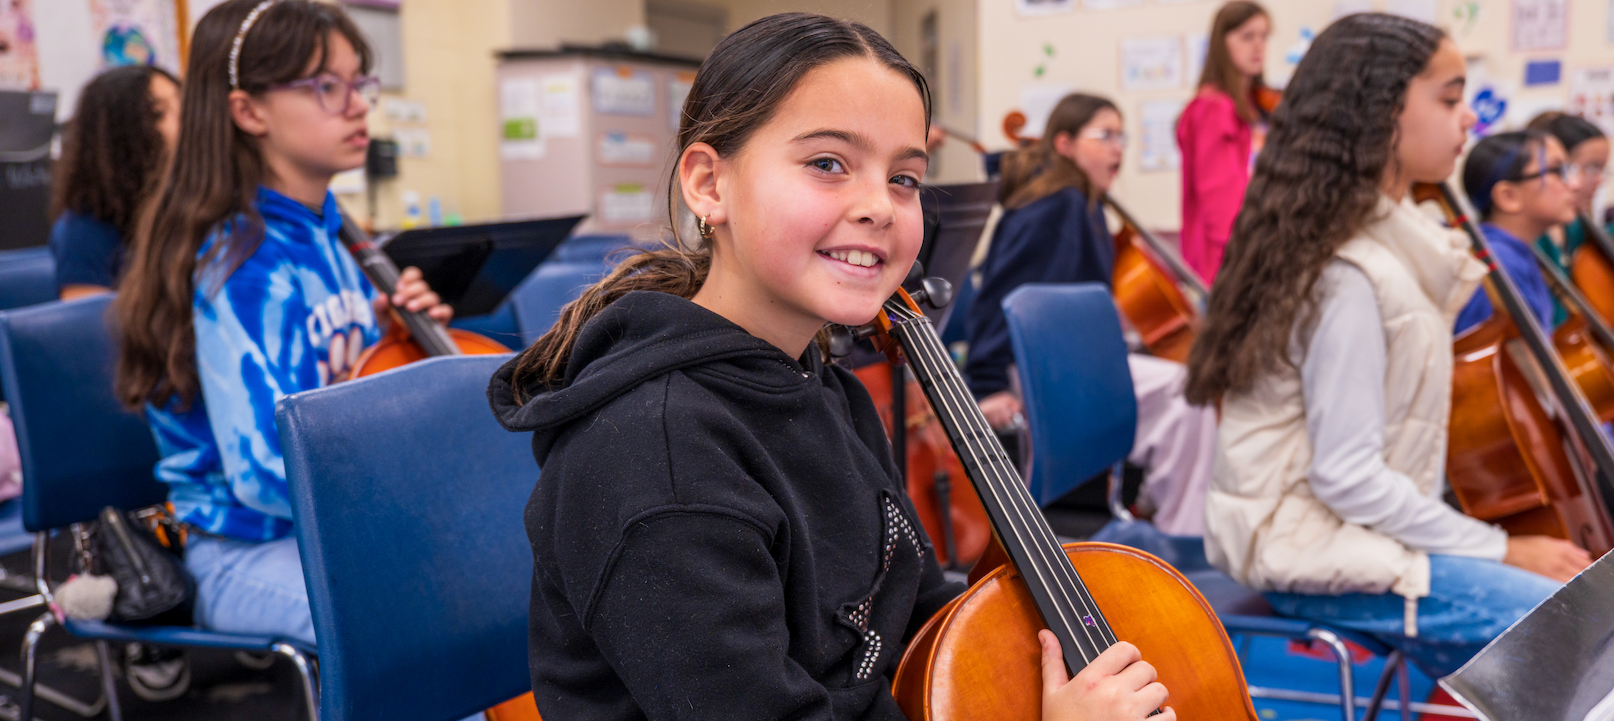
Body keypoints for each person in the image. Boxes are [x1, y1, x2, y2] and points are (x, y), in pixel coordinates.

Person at [490, 14, 1172, 720]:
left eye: (904, 176)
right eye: (827, 164)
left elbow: (904, 606)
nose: (879, 205)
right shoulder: (657, 461)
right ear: (707, 183)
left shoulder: (823, 388)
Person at [1187, 12, 1602, 685]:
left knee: (1566, 643)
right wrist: (1503, 548)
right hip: (1315, 555)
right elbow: (1346, 476)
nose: (1468, 119)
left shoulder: (1382, 243)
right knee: (1589, 633)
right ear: (1381, 110)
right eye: (1448, 98)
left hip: (1347, 539)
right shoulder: (1348, 271)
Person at [115, 0, 448, 659]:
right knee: (424, 620)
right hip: (241, 548)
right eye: (327, 86)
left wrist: (397, 344)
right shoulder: (237, 264)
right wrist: (424, 499)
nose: (358, 106)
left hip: (330, 532)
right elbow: (268, 469)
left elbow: (344, 388)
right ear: (248, 110)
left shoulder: (332, 235)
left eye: (361, 82)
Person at [961, 92, 1217, 535]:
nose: (1118, 147)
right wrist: (986, 387)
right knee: (1189, 390)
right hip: (1037, 373)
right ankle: (1179, 531)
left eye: (1122, 136)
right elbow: (1005, 299)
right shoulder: (1057, 206)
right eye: (1105, 135)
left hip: (1067, 365)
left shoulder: (1085, 204)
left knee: (1187, 392)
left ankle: (1166, 517)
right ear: (1065, 144)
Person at [1452, 130, 1614, 505]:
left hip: (1530, 436)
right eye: (1559, 172)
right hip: (1504, 456)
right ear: (1508, 196)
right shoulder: (1500, 268)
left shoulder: (1517, 254)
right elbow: (1537, 384)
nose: (1575, 184)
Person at [48, 64, 181, 299]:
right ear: (122, 136)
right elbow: (87, 328)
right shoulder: (83, 232)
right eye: (159, 113)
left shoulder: (188, 202)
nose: (183, 122)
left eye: (182, 106)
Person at [1175, 1, 1270, 284]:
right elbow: (1221, 202)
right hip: (1230, 262)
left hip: (1258, 249)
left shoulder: (1256, 105)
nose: (1258, 46)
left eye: (1264, 36)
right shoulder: (1213, 108)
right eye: (1247, 36)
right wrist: (1240, 268)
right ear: (1222, 43)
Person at [1526, 111, 1614, 288]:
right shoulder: (1532, 233)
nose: (1600, 180)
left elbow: (1604, 233)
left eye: (1602, 169)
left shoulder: (1572, 226)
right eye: (1591, 168)